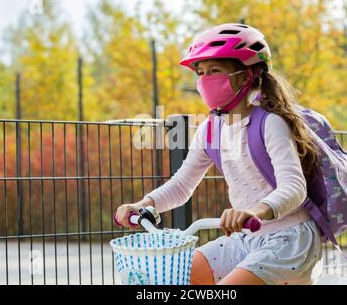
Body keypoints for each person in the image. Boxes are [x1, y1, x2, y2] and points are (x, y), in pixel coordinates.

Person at [115, 23, 324, 285]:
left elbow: (294, 187)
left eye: (215, 71)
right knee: (172, 278)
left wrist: (255, 212)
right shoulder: (210, 130)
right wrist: (145, 204)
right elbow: (181, 185)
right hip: (245, 237)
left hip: (288, 240)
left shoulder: (270, 123)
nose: (204, 80)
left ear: (246, 76)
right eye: (200, 73)